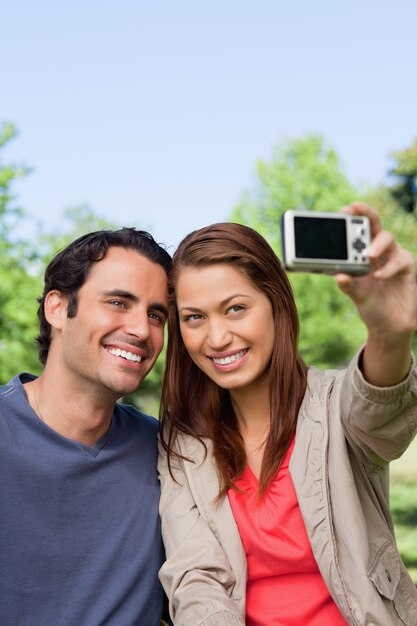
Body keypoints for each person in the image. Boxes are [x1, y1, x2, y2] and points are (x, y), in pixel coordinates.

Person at [158, 203, 417, 626]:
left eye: (236, 308)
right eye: (194, 318)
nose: (218, 337)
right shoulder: (183, 444)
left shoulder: (335, 403)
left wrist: (389, 334)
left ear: (276, 305)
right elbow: (196, 579)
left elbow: (380, 410)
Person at [0, 227, 172, 625]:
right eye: (118, 302)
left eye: (156, 315)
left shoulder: (168, 453)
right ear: (58, 308)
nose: (142, 330)